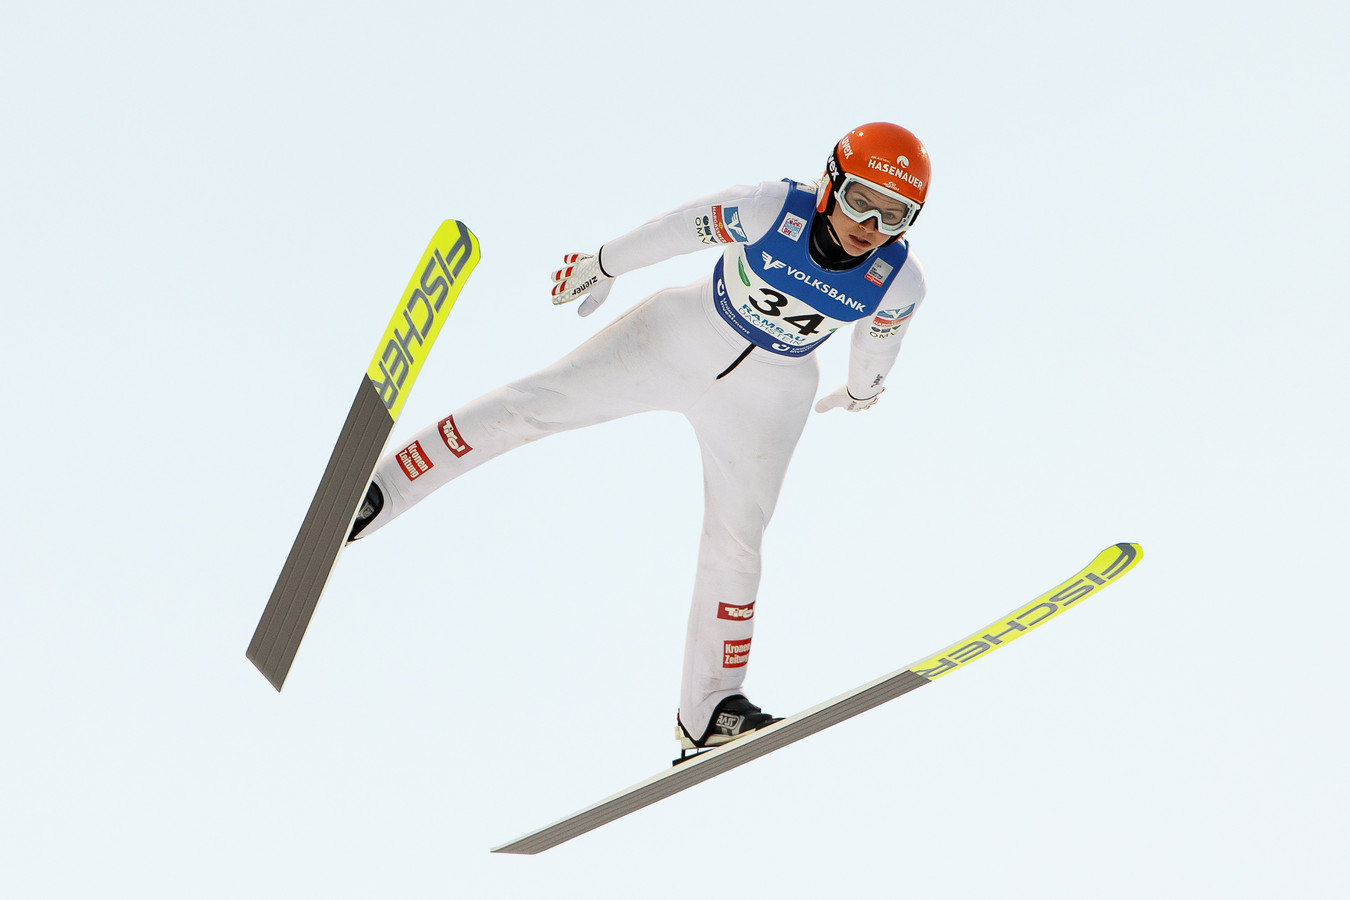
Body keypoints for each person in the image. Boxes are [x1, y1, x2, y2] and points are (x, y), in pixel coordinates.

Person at [348, 122, 931, 754]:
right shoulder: (769, 208)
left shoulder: (899, 280)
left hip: (770, 396)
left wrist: (863, 389)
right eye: (859, 201)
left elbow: (881, 341)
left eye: (893, 215)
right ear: (830, 184)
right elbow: (679, 228)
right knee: (533, 406)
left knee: (738, 545)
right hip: (680, 337)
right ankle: (381, 490)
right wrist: (605, 263)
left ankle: (710, 708)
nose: (870, 226)